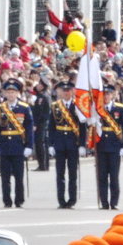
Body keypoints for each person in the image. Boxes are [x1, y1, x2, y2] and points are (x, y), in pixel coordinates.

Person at [0, 79, 34, 209]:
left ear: (18, 93)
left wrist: (29, 146)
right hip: (4, 145)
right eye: (8, 92)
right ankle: (7, 200)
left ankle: (19, 200)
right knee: (5, 177)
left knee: (19, 176)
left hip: (18, 145)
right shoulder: (0, 108)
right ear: (5, 93)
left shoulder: (24, 108)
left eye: (13, 92)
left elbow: (29, 128)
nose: (11, 95)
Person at [49, 81, 85, 209]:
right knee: (60, 173)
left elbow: (82, 126)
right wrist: (51, 144)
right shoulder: (55, 106)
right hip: (59, 143)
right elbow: (51, 126)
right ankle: (61, 200)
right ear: (60, 92)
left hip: (73, 143)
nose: (66, 93)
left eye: (68, 90)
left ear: (72, 91)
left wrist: (82, 144)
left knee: (72, 173)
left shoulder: (78, 106)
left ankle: (72, 199)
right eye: (63, 90)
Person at [93, 82, 123, 210]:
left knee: (114, 176)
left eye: (108, 94)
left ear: (113, 94)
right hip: (101, 145)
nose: (106, 96)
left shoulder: (119, 108)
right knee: (102, 176)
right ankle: (104, 202)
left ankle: (114, 202)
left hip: (115, 146)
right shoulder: (97, 109)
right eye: (104, 94)